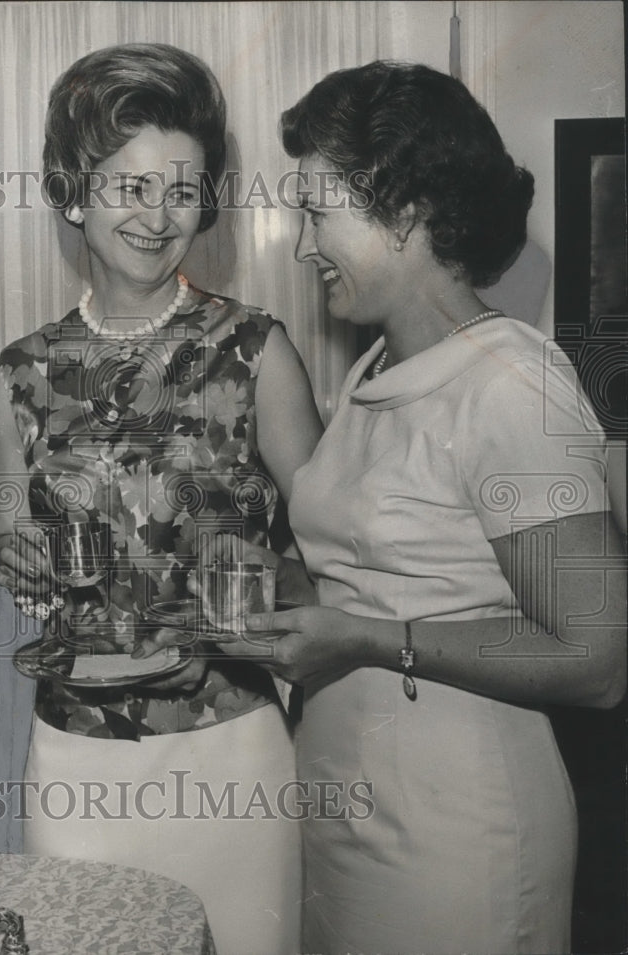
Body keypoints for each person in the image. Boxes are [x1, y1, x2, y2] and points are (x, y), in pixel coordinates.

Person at [211, 61, 625, 953]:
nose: (303, 246)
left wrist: (368, 637)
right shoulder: (377, 368)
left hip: (460, 831)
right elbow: (395, 570)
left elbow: (597, 656)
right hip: (347, 803)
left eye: (317, 213)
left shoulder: (513, 386)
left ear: (402, 212)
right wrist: (292, 586)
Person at [0, 44, 322, 955]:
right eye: (129, 186)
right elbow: (17, 548)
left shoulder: (255, 351)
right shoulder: (21, 372)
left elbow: (336, 565)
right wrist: (19, 557)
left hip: (232, 751)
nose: (157, 214)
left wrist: (245, 602)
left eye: (181, 190)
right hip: (77, 754)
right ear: (72, 192)